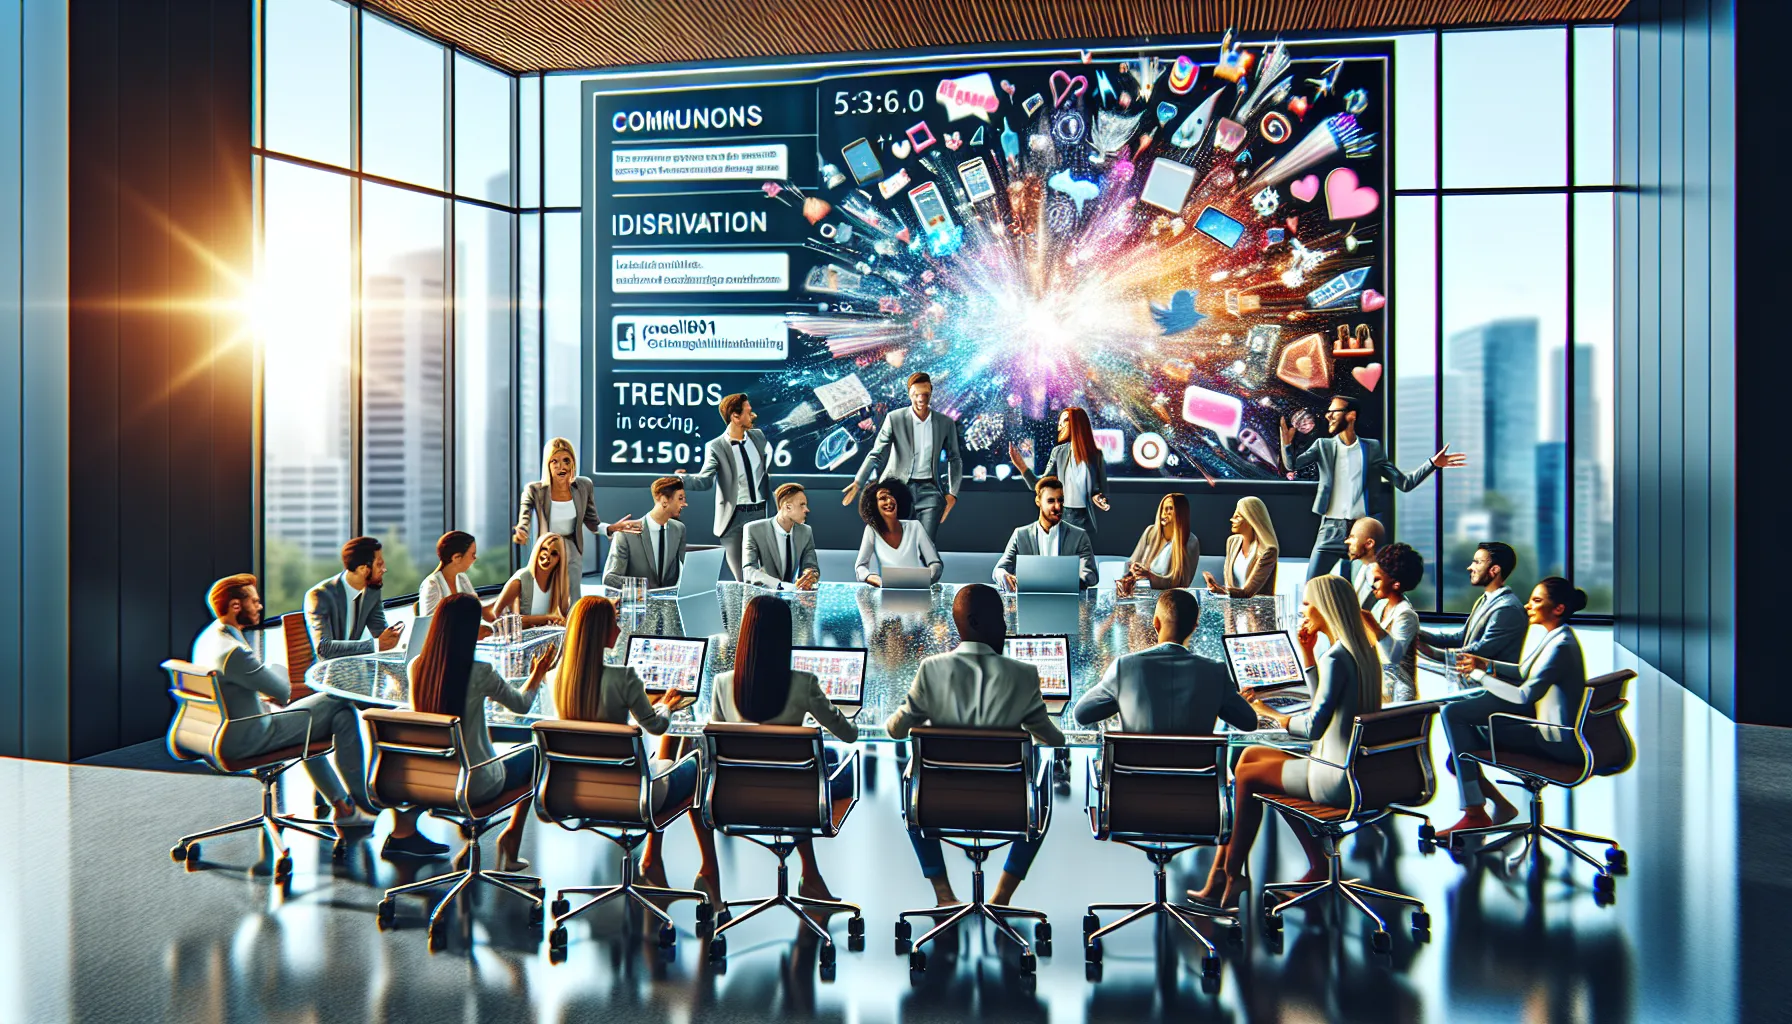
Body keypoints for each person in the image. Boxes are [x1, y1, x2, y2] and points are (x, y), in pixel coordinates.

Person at [198, 575, 439, 856]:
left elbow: (259, 688)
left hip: (224, 729)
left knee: (339, 716)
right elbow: (282, 688)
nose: (260, 606)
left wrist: (261, 680)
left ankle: (346, 806)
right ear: (236, 606)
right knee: (338, 703)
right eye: (254, 600)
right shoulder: (235, 652)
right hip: (251, 736)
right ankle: (361, 803)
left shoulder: (211, 637)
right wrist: (271, 668)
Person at [1191, 575, 1382, 911]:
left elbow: (1312, 727)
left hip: (1332, 775)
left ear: (1325, 607)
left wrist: (1268, 712)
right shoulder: (1363, 650)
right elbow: (1325, 700)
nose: (1304, 609)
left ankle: (1231, 875)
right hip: (1360, 769)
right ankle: (1226, 873)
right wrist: (1307, 655)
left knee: (1248, 778)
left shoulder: (1337, 658)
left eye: (1308, 603)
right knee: (1249, 756)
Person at [887, 584, 1065, 907]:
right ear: (976, 622)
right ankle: (1001, 897)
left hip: (937, 806)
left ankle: (944, 894)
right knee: (1042, 781)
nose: (1006, 626)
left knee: (909, 777)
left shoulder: (931, 670)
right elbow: (1053, 739)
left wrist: (923, 719)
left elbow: (896, 730)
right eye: (1000, 618)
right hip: (1010, 809)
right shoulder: (1023, 675)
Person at [549, 596, 708, 894]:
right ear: (599, 632)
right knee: (693, 759)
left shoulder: (556, 677)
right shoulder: (624, 678)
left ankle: (654, 859)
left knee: (654, 752)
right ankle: (700, 866)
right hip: (631, 796)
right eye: (614, 623)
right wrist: (665, 705)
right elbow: (658, 726)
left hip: (576, 791)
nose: (620, 630)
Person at [709, 596, 859, 899]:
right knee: (828, 762)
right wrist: (841, 713)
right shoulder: (803, 684)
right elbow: (850, 735)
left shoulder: (723, 684)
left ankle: (811, 876)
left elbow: (714, 747)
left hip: (737, 799)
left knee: (797, 768)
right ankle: (811, 876)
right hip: (796, 802)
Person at [408, 592, 555, 872]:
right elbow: (521, 705)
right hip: (476, 783)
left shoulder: (418, 667)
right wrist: (537, 674)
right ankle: (510, 844)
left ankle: (475, 832)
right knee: (535, 753)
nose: (485, 628)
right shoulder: (480, 671)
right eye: (479, 623)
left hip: (434, 781)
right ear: (467, 629)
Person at [1437, 578, 1591, 841]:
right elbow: (1522, 672)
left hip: (1555, 743)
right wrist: (1485, 665)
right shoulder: (1557, 637)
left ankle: (1475, 812)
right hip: (1552, 733)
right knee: (1461, 745)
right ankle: (1491, 805)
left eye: (1537, 600)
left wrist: (1478, 676)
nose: (1528, 605)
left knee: (1454, 717)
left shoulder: (1561, 647)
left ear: (1558, 608)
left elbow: (1523, 697)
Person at [1281, 396, 1466, 581]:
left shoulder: (1372, 448)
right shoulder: (1323, 445)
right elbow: (1292, 465)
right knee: (1311, 589)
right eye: (1328, 412)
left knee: (1368, 591)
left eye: (1333, 411)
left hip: (1364, 531)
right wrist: (1287, 444)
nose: (1328, 416)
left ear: (1351, 415)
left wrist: (1433, 464)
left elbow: (1404, 483)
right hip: (1330, 528)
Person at [1073, 589, 1257, 734]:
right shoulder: (1216, 672)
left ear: (1156, 623)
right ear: (1194, 627)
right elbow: (1249, 723)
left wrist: (1124, 698)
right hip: (1194, 779)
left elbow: (1081, 714)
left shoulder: (1124, 667)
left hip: (1134, 779)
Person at [841, 372, 963, 540]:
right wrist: (859, 481)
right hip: (896, 489)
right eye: (916, 394)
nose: (921, 399)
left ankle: (928, 566)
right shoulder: (895, 418)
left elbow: (954, 458)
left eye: (925, 394)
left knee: (926, 545)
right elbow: (876, 453)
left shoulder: (945, 423)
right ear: (909, 394)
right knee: (896, 543)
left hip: (930, 490)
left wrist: (952, 494)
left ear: (931, 393)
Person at [678, 393, 773, 581]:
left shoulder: (758, 437)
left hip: (761, 514)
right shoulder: (716, 447)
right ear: (735, 417)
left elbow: (766, 472)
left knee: (766, 577)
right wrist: (682, 479)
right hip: (734, 519)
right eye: (748, 412)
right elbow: (705, 481)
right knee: (743, 579)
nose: (753, 415)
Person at [514, 436, 640, 576]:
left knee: (573, 596)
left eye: (566, 460)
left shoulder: (583, 486)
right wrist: (522, 530)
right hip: (546, 550)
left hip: (572, 549)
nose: (561, 466)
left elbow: (593, 524)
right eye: (554, 461)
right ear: (547, 465)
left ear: (573, 463)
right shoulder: (534, 490)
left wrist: (611, 528)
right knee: (545, 595)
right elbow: (524, 517)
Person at [1009, 407, 1110, 545]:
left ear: (1076, 424)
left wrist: (1099, 497)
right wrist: (1021, 466)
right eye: (1059, 422)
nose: (1059, 426)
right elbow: (1038, 485)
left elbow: (1100, 488)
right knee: (1063, 560)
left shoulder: (1096, 455)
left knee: (1085, 561)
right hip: (1064, 517)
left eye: (1064, 421)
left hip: (1086, 519)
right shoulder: (1059, 453)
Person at [1416, 541, 1526, 665]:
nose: (1470, 567)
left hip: (1493, 681)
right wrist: (1421, 634)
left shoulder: (1507, 609)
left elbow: (1481, 651)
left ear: (1494, 570)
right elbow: (1461, 638)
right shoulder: (1485, 600)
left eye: (1477, 562)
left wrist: (1434, 653)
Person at [306, 536, 404, 660]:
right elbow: (324, 648)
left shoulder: (371, 591)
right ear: (363, 569)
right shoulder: (318, 596)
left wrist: (393, 637)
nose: (384, 569)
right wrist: (375, 645)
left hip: (356, 667)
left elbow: (380, 633)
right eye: (379, 564)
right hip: (326, 672)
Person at [994, 476, 1098, 591]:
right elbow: (999, 570)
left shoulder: (1079, 536)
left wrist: (1072, 581)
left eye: (1060, 500)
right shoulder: (1021, 535)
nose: (1058, 507)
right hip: (1029, 602)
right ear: (1038, 501)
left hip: (1066, 602)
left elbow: (1091, 576)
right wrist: (1002, 575)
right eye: (1051, 501)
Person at [1358, 542, 1424, 702]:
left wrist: (1370, 622)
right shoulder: (1381, 606)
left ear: (1395, 584)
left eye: (1378, 579)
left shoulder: (1406, 615)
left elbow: (1393, 657)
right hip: (1380, 688)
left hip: (1399, 695)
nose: (1373, 584)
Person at [602, 476, 689, 590]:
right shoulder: (627, 534)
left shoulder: (679, 529)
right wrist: (641, 585)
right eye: (680, 498)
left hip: (668, 603)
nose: (684, 504)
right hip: (637, 602)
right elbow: (609, 578)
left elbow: (685, 567)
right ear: (664, 501)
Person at [854, 478, 944, 586]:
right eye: (883, 498)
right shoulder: (872, 530)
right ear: (874, 505)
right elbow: (860, 567)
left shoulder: (914, 526)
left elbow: (935, 563)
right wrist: (874, 579)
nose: (889, 501)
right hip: (887, 593)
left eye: (891, 496)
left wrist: (926, 580)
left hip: (917, 593)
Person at [1119, 492, 1201, 595]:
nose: (1165, 512)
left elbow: (1182, 582)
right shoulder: (1150, 532)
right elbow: (1132, 562)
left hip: (1170, 598)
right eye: (1163, 508)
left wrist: (1150, 576)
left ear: (1181, 512)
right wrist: (1132, 570)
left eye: (1170, 508)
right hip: (1141, 595)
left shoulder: (1190, 541)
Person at [743, 482, 820, 590]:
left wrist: (810, 575)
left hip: (794, 599)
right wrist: (780, 585)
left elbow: (811, 565)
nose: (807, 510)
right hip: (762, 599)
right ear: (788, 507)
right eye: (802, 505)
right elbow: (749, 571)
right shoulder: (754, 530)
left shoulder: (805, 532)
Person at [417, 531, 497, 632]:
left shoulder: (462, 578)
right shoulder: (432, 584)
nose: (475, 558)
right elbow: (430, 628)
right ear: (457, 558)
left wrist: (504, 599)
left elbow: (480, 610)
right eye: (472, 554)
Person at [1204, 497, 1279, 598]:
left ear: (1251, 520)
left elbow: (1248, 592)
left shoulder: (1268, 551)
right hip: (1232, 610)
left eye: (1237, 517)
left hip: (1257, 611)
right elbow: (1229, 582)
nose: (1232, 519)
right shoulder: (1232, 542)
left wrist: (1220, 590)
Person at [495, 532, 572, 628]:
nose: (547, 555)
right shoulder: (521, 579)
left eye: (554, 553)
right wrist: (546, 618)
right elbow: (496, 615)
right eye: (544, 549)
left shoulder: (558, 584)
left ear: (560, 560)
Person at [1344, 516, 1386, 608]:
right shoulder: (1355, 568)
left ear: (1369, 543)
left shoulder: (1384, 579)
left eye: (1353, 537)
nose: (1347, 541)